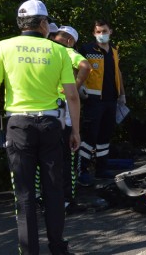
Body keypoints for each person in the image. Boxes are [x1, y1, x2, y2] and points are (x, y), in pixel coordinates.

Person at [0, 0, 79, 255]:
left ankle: (30, 251)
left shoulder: (4, 47)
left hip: (18, 125)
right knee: (53, 190)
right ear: (43, 23)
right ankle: (57, 247)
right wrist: (75, 130)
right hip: (50, 124)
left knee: (24, 194)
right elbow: (73, 96)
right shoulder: (58, 51)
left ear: (21, 24)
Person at [78, 19, 126, 186]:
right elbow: (76, 68)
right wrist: (80, 86)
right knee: (89, 136)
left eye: (104, 31)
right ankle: (82, 170)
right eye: (98, 32)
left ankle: (101, 168)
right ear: (93, 33)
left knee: (105, 135)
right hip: (93, 100)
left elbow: (117, 72)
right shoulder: (87, 49)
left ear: (110, 32)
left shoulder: (113, 51)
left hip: (111, 99)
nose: (101, 34)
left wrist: (122, 94)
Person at [53, 26, 91, 211]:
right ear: (70, 41)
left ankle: (52, 199)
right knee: (67, 155)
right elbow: (85, 66)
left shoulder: (48, 50)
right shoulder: (67, 51)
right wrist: (75, 86)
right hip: (64, 110)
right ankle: (68, 199)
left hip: (46, 110)